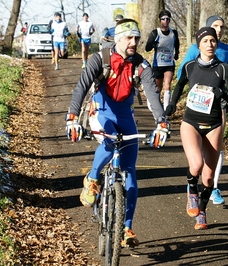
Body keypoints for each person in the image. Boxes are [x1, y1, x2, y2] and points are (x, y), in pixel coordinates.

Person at [65, 18, 168, 246]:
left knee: (130, 171)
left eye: (137, 38)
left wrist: (161, 122)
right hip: (102, 112)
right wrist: (72, 118)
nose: (134, 42)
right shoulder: (100, 59)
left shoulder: (142, 65)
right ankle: (92, 179)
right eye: (130, 37)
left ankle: (126, 228)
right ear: (119, 38)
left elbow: (152, 95)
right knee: (109, 143)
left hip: (125, 115)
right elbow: (81, 87)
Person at [165, 27, 228, 230]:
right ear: (198, 44)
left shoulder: (223, 68)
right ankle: (191, 190)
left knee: (208, 178)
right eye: (205, 40)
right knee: (196, 165)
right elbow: (180, 85)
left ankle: (202, 209)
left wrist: (221, 94)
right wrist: (172, 105)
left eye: (213, 41)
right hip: (191, 122)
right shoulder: (190, 66)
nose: (210, 44)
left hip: (214, 125)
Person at [177, 15, 228, 205]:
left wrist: (222, 95)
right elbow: (182, 76)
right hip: (194, 113)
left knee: (216, 154)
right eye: (216, 26)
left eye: (222, 27)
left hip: (218, 108)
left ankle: (212, 188)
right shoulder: (194, 52)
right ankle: (193, 186)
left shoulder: (226, 51)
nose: (219, 30)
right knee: (196, 162)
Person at [145, 10, 180, 110]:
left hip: (169, 63)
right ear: (160, 20)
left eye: (168, 19)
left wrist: (177, 53)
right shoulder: (155, 33)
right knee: (158, 88)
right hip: (158, 64)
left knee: (167, 86)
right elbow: (147, 48)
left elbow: (177, 44)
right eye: (163, 19)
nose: (166, 21)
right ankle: (152, 104)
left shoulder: (174, 33)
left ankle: (165, 110)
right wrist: (154, 44)